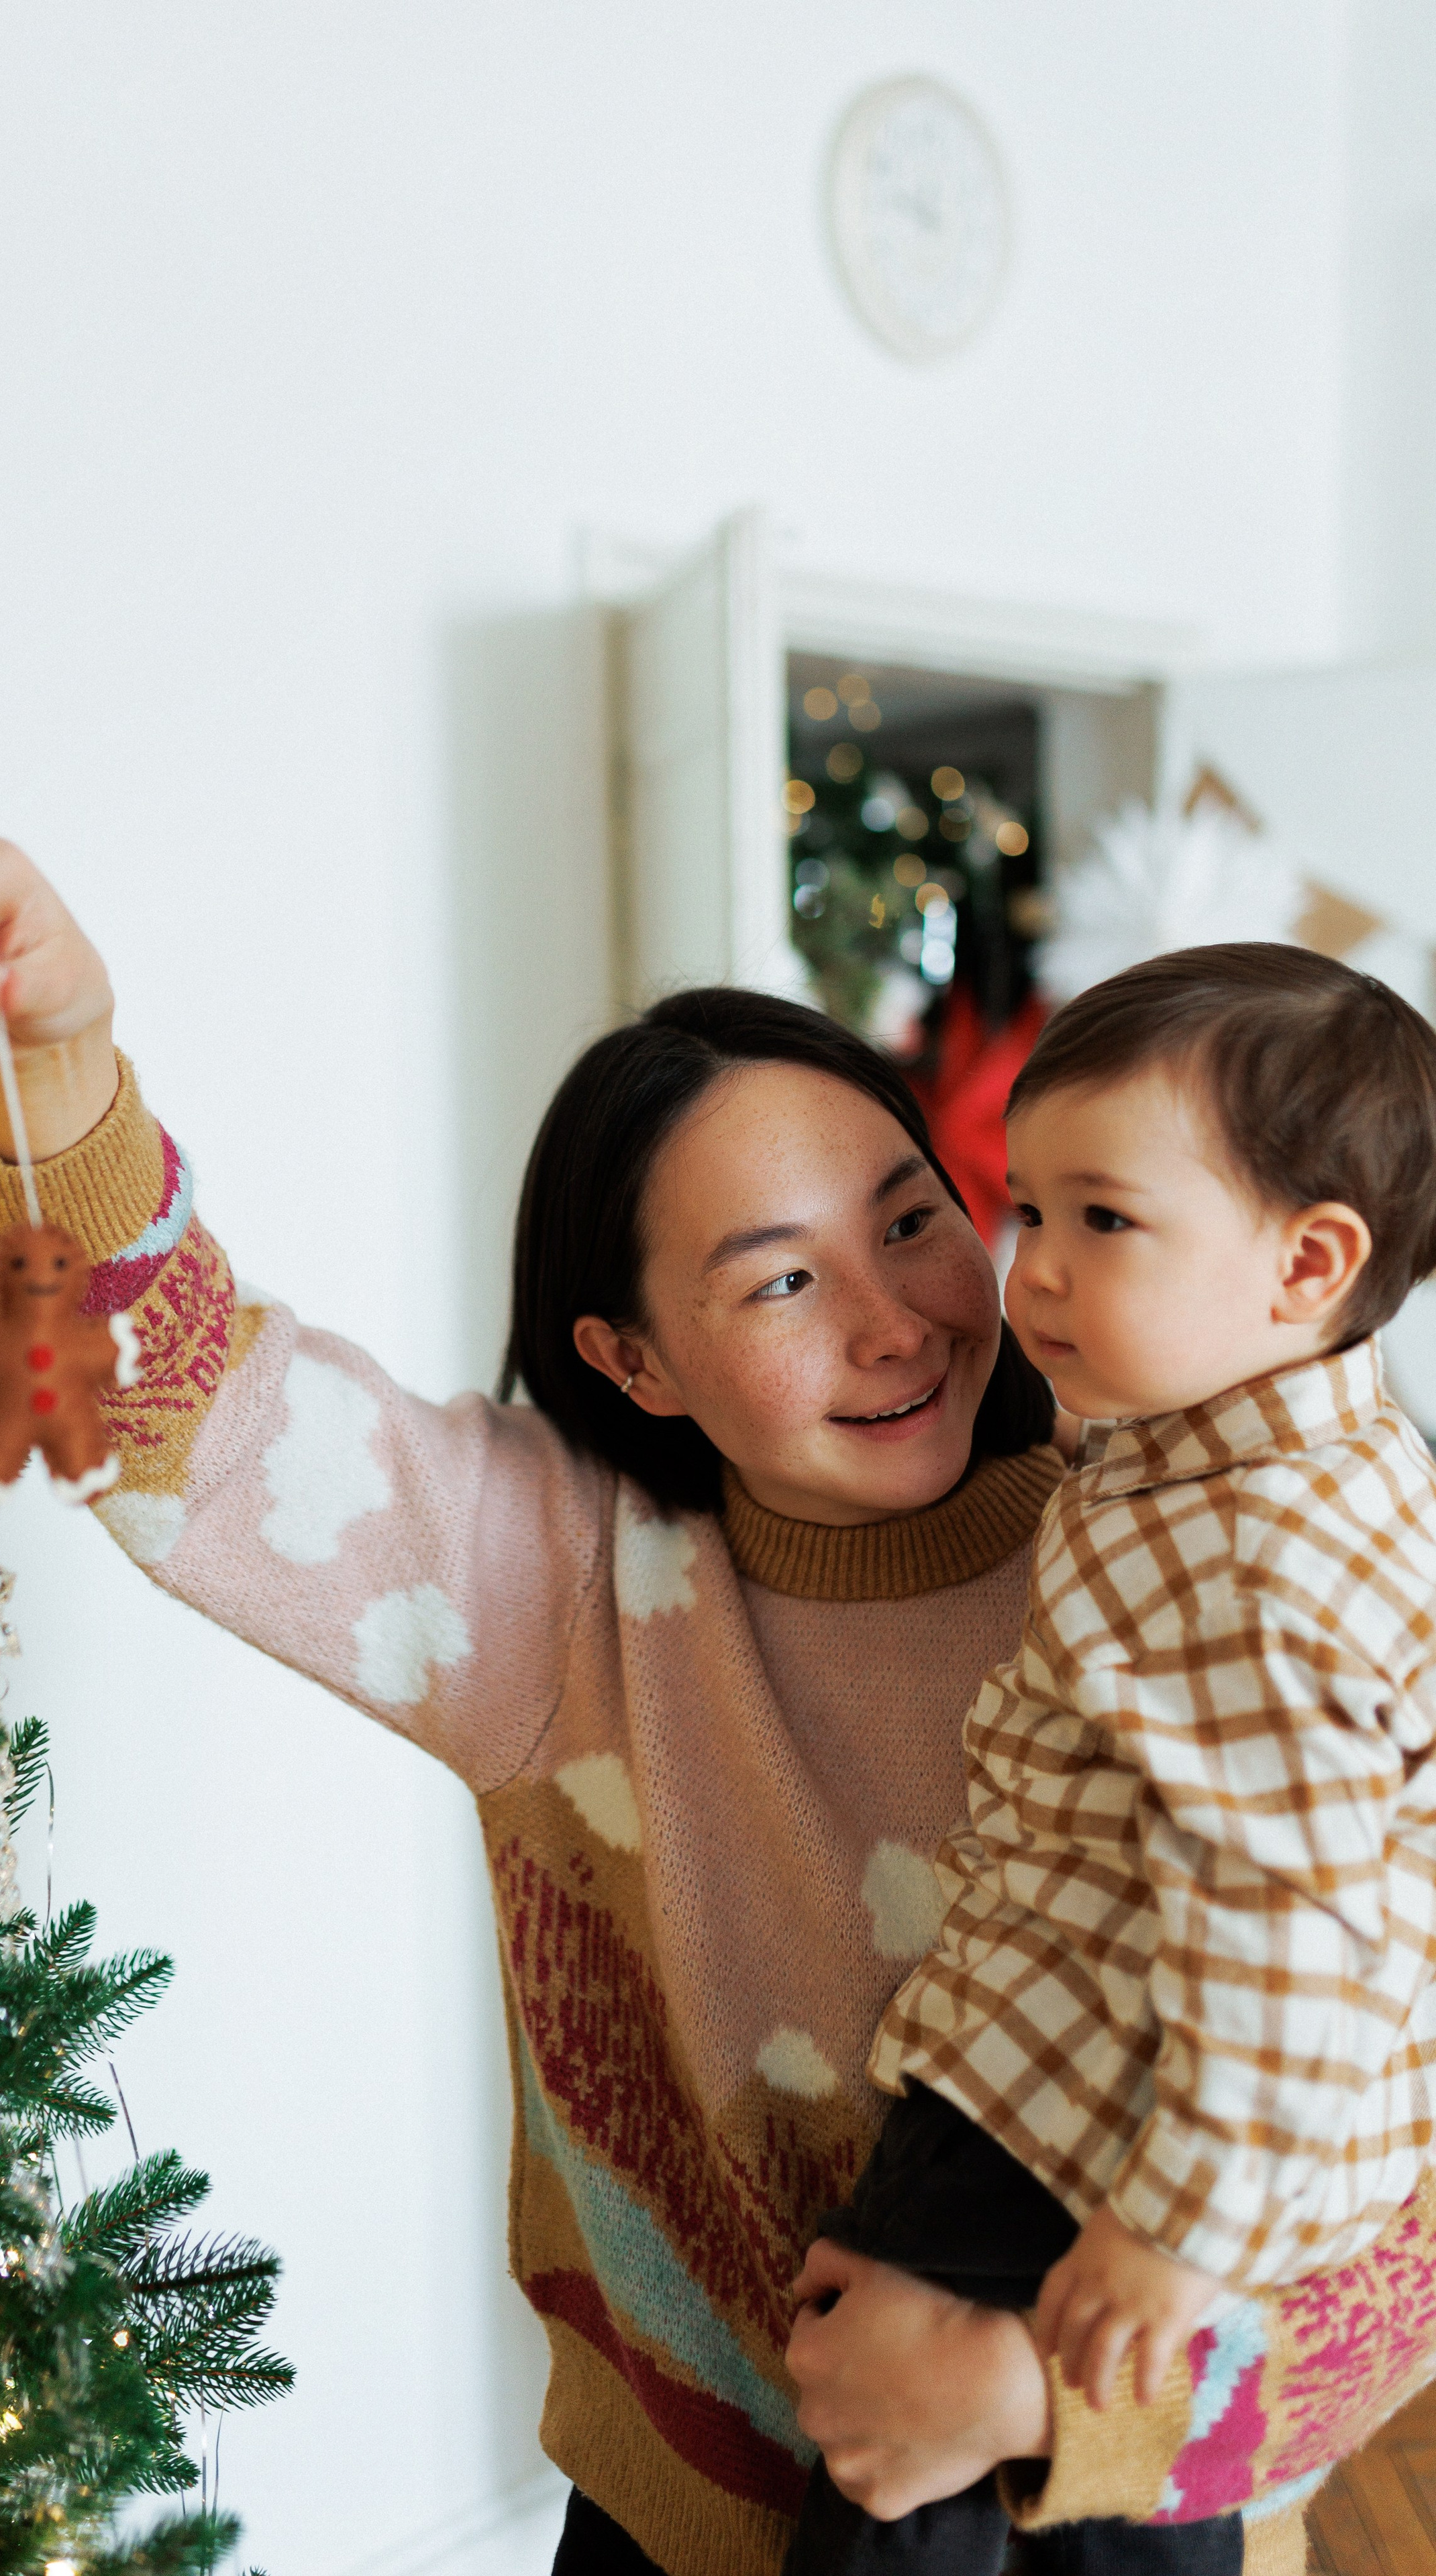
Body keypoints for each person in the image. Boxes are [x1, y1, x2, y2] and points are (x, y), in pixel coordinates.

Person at [0, 845, 1436, 2576]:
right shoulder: (567, 1592)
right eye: (776, 1282)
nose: (897, 1319)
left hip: (1149, 2505)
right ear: (633, 1363)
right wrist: (63, 1056)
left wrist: (1033, 2402)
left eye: (911, 1222)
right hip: (698, 2526)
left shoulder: (1212, 1570)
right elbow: (187, 1419)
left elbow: (1382, 2127)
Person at [789, 945, 1436, 2576]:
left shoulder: (1254, 1560)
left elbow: (1290, 1922)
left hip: (1067, 2132)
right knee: (1113, 2525)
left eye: (1103, 1221)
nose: (1035, 1279)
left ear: (1305, 1264)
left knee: (892, 2490)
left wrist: (1174, 2227)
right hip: (1128, 2124)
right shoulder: (1265, 1454)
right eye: (1024, 1213)